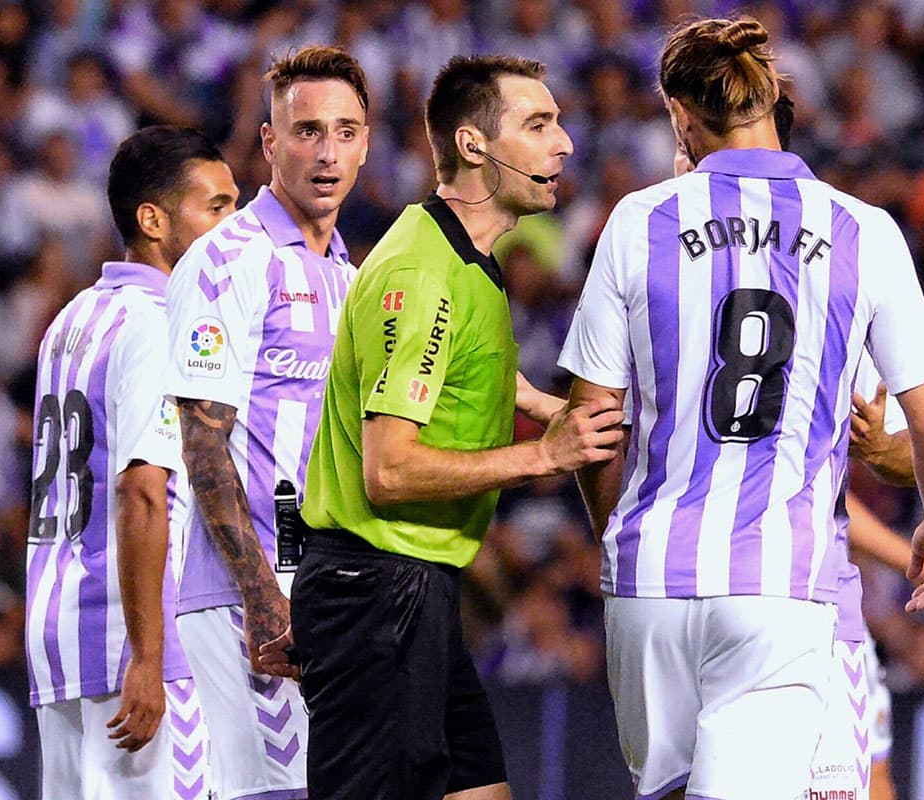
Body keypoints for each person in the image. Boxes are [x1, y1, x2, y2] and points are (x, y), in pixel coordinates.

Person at [561, 16, 924, 800]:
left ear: (680, 116)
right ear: (774, 100)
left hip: (649, 578)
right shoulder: (862, 230)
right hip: (778, 586)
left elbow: (593, 425)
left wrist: (620, 542)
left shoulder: (638, 220)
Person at [292, 55, 623, 800]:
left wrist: (545, 406)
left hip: (415, 588)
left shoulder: (464, 259)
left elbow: (459, 370)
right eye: (538, 124)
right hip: (374, 592)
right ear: (475, 145)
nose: (564, 143)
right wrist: (543, 455)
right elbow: (390, 470)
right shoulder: (423, 275)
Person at [164, 46, 368, 800]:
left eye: (345, 132)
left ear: (367, 144)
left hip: (332, 590)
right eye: (307, 131)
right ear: (269, 142)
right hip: (246, 596)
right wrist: (260, 598)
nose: (327, 153)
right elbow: (202, 441)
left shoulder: (350, 277)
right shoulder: (228, 260)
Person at [25, 125, 238, 799]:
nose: (234, 230)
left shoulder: (71, 319)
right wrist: (149, 656)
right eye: (216, 207)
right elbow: (143, 490)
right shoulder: (163, 321)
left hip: (61, 631)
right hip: (133, 638)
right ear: (153, 220)